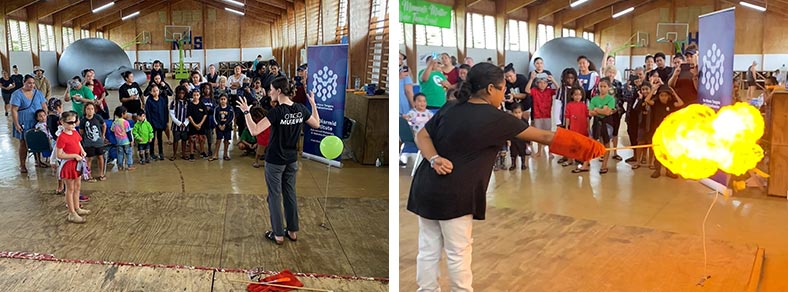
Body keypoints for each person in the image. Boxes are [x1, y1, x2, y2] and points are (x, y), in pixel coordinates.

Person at [407, 63, 605, 292]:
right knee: (458, 252)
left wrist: (433, 159)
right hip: (455, 194)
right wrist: (585, 146)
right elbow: (544, 135)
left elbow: (423, 135)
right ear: (491, 89)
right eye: (502, 89)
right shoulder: (496, 118)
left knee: (428, 249)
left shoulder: (450, 107)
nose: (504, 93)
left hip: (425, 187)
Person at [236, 76, 320, 245]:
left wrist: (246, 112)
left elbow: (254, 130)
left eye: (272, 89)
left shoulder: (277, 112)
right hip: (291, 160)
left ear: (279, 91)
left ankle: (278, 234)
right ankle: (293, 231)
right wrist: (313, 104)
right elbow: (316, 124)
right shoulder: (300, 109)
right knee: (290, 193)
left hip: (275, 161)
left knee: (274, 196)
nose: (270, 92)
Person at [56, 111, 91, 223]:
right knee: (70, 189)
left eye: (75, 122)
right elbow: (59, 154)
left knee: (77, 187)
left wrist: (82, 151)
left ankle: (77, 208)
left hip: (77, 163)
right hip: (68, 165)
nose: (73, 124)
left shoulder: (75, 133)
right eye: (70, 122)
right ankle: (71, 212)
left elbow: (78, 143)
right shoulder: (61, 137)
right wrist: (74, 155)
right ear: (62, 122)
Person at [11, 74, 48, 173]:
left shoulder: (38, 93)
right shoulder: (17, 94)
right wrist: (16, 124)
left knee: (37, 140)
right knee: (23, 142)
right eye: (29, 83)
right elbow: (14, 110)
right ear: (24, 83)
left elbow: (44, 105)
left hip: (37, 121)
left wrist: (46, 118)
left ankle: (38, 161)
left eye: (33, 83)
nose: (31, 85)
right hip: (23, 121)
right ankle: (22, 165)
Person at [645, 85, 684, 178]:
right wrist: (653, 89)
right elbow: (647, 100)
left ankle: (669, 171)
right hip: (657, 131)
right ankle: (657, 170)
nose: (663, 97)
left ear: (669, 96)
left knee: (669, 152)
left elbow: (681, 103)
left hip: (669, 132)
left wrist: (674, 93)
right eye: (661, 95)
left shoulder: (671, 103)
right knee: (658, 151)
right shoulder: (656, 103)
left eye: (665, 95)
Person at [588, 78, 616, 174]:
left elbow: (608, 112)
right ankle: (586, 162)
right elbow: (590, 112)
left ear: (608, 88)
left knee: (607, 143)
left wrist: (597, 109)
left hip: (607, 122)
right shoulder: (594, 98)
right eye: (600, 86)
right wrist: (601, 110)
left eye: (604, 86)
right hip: (596, 122)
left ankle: (604, 165)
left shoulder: (611, 99)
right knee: (594, 141)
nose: (602, 88)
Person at [524, 74, 557, 157]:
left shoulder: (549, 91)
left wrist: (553, 80)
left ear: (547, 84)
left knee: (548, 134)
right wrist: (531, 79)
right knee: (539, 135)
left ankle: (550, 151)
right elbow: (527, 90)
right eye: (540, 83)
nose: (542, 85)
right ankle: (539, 151)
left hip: (547, 115)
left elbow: (558, 89)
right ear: (537, 83)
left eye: (544, 83)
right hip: (537, 115)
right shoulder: (534, 90)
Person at [79, 103, 106, 181]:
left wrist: (103, 135)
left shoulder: (98, 117)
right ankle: (88, 175)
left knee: (100, 157)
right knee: (89, 159)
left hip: (99, 142)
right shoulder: (83, 120)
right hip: (88, 143)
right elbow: (81, 131)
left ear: (94, 110)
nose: (90, 111)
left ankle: (101, 173)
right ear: (85, 110)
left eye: (92, 109)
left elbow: (104, 125)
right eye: (88, 109)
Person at [565, 87, 591, 170]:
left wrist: (588, 127)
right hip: (573, 128)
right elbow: (567, 117)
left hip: (583, 128)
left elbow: (587, 117)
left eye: (579, 95)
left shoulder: (584, 106)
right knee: (571, 145)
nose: (578, 97)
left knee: (583, 145)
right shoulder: (569, 105)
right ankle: (570, 160)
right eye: (576, 95)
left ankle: (585, 160)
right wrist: (566, 128)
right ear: (572, 96)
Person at [626, 83, 651, 169]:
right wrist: (640, 99)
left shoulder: (653, 99)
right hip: (641, 124)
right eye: (643, 89)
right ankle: (638, 161)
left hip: (651, 125)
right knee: (640, 142)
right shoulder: (638, 99)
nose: (645, 91)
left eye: (647, 89)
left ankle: (650, 162)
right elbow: (635, 108)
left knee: (650, 143)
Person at [144, 85, 169, 161]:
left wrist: (166, 121)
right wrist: (150, 124)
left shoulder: (162, 100)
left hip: (161, 122)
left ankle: (161, 153)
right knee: (152, 138)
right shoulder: (149, 101)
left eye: (157, 90)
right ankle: (151, 153)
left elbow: (165, 111)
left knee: (160, 138)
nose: (156, 92)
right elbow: (148, 113)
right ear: (151, 92)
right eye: (154, 91)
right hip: (152, 123)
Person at [169, 86, 190, 160]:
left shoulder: (187, 103)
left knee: (184, 140)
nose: (181, 95)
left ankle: (183, 154)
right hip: (176, 126)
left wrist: (186, 122)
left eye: (183, 93)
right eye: (179, 93)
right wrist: (178, 123)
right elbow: (172, 114)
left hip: (185, 126)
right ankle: (174, 154)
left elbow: (189, 114)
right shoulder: (173, 103)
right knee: (176, 140)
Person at [186, 89, 208, 161]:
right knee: (192, 139)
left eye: (197, 95)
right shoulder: (190, 105)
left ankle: (202, 151)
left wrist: (200, 124)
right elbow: (189, 116)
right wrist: (195, 124)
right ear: (192, 96)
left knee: (201, 139)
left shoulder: (202, 104)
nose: (196, 97)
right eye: (194, 95)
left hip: (201, 125)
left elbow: (205, 115)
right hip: (192, 125)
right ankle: (191, 153)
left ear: (200, 96)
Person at [111, 106, 135, 171]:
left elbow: (112, 130)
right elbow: (129, 133)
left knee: (120, 154)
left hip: (119, 141)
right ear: (122, 114)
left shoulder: (115, 122)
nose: (127, 114)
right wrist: (131, 141)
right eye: (126, 113)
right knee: (129, 153)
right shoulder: (125, 122)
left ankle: (120, 166)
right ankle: (129, 165)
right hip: (126, 141)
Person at [507, 103, 529, 170]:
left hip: (522, 140)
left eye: (519, 112)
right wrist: (508, 140)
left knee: (522, 152)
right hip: (513, 140)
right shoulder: (510, 122)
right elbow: (508, 132)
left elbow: (528, 132)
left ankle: (523, 164)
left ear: (522, 112)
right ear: (512, 113)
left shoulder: (524, 122)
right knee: (513, 153)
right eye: (515, 112)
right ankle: (513, 164)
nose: (517, 114)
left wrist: (528, 142)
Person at [212, 93, 234, 161]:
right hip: (219, 127)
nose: (223, 101)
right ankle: (216, 154)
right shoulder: (217, 108)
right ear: (219, 100)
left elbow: (231, 117)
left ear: (227, 100)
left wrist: (225, 125)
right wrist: (219, 125)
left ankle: (225, 154)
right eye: (221, 99)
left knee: (226, 141)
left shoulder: (230, 108)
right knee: (218, 140)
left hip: (227, 127)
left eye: (224, 99)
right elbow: (215, 118)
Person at [200, 83, 217, 158]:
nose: (207, 90)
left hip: (210, 121)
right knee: (202, 136)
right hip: (202, 121)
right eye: (205, 88)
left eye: (208, 89)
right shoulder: (201, 98)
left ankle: (210, 148)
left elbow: (215, 109)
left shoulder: (212, 100)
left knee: (210, 136)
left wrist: (210, 109)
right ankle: (202, 149)